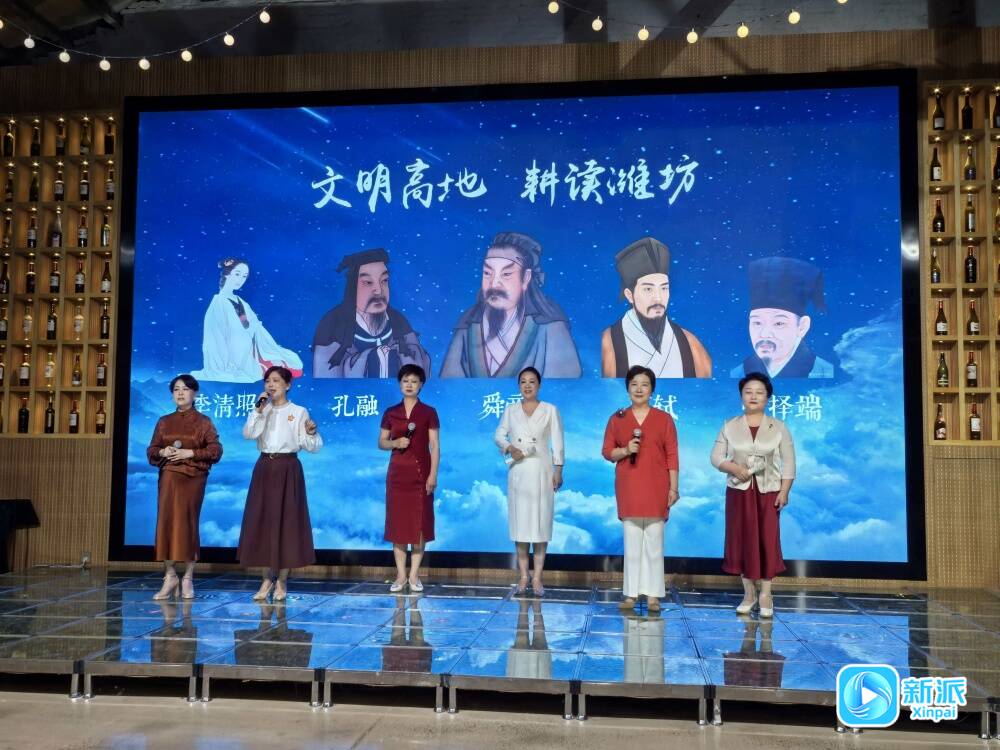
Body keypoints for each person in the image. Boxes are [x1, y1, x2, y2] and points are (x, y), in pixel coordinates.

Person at [710, 372, 795, 617]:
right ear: (741, 396)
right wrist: (733, 467)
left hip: (769, 492)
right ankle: (748, 593)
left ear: (768, 397)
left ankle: (766, 594)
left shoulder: (779, 427)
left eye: (759, 392)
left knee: (767, 540)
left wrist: (784, 491)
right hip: (739, 492)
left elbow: (789, 462)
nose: (753, 396)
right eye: (748, 392)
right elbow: (715, 457)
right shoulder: (730, 425)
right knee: (742, 540)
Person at [440, 232, 581, 378]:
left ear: (526, 278)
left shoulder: (549, 325)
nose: (494, 284)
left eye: (506, 274)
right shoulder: (469, 323)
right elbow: (449, 380)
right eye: (487, 273)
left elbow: (564, 384)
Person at [237, 365, 322, 601]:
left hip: (288, 468)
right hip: (264, 467)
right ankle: (266, 580)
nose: (271, 385)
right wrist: (257, 411)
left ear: (288, 385)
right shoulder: (262, 409)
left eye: (275, 381)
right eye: (267, 381)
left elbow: (311, 446)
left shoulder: (298, 411)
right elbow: (249, 434)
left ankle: (282, 581)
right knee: (263, 522)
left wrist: (311, 433)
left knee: (287, 523)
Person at [601, 365, 680, 611]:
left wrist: (674, 488)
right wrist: (626, 450)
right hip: (629, 486)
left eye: (644, 385)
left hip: (657, 487)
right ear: (627, 388)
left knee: (654, 545)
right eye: (634, 384)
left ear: (652, 390)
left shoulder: (664, 419)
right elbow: (607, 452)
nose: (639, 389)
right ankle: (631, 595)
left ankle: (654, 595)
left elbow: (672, 455)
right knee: (632, 545)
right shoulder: (617, 418)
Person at [146, 374, 223, 600]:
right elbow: (151, 450)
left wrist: (190, 453)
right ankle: (170, 576)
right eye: (176, 389)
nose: (180, 393)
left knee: (188, 524)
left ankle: (188, 577)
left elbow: (216, 450)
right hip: (169, 476)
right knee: (166, 523)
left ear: (194, 393)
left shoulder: (204, 422)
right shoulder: (164, 421)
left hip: (193, 478)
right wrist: (163, 451)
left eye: (185, 389)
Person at [493, 366, 564, 596]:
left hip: (542, 469)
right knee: (521, 526)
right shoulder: (511, 410)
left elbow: (558, 442)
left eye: (532, 381)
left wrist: (558, 469)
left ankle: (538, 578)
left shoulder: (550, 410)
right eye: (523, 381)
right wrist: (509, 447)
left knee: (541, 526)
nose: (527, 385)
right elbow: (498, 435)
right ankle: (523, 576)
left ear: (539, 385)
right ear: (519, 386)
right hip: (519, 470)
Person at [601, 237, 711, 378]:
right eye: (648, 289)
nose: (658, 298)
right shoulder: (609, 340)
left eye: (664, 288)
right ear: (629, 295)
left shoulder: (689, 342)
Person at [312, 248, 432, 378]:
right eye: (368, 282)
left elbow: (421, 366)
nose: (378, 290)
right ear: (352, 286)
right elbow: (326, 374)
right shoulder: (333, 323)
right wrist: (372, 357)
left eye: (384, 280)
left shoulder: (398, 321)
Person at [379, 364, 440, 592]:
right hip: (397, 476)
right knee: (398, 525)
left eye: (414, 381)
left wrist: (433, 475)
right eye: (405, 381)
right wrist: (395, 442)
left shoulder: (429, 412)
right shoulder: (391, 412)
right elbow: (381, 442)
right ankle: (400, 575)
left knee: (420, 525)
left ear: (421, 385)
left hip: (421, 475)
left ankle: (414, 575)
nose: (409, 385)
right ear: (400, 384)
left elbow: (435, 446)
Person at [192, 257, 303, 383]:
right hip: (234, 352)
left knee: (291, 362)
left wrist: (254, 331)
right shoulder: (218, 303)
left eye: (244, 276)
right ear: (227, 274)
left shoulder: (240, 301)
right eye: (237, 274)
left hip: (252, 346)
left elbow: (253, 326)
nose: (240, 279)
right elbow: (216, 338)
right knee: (269, 370)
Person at [730, 257, 835, 379]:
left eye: (779, 323)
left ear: (802, 326)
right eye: (757, 323)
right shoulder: (738, 373)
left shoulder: (824, 372)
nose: (764, 334)